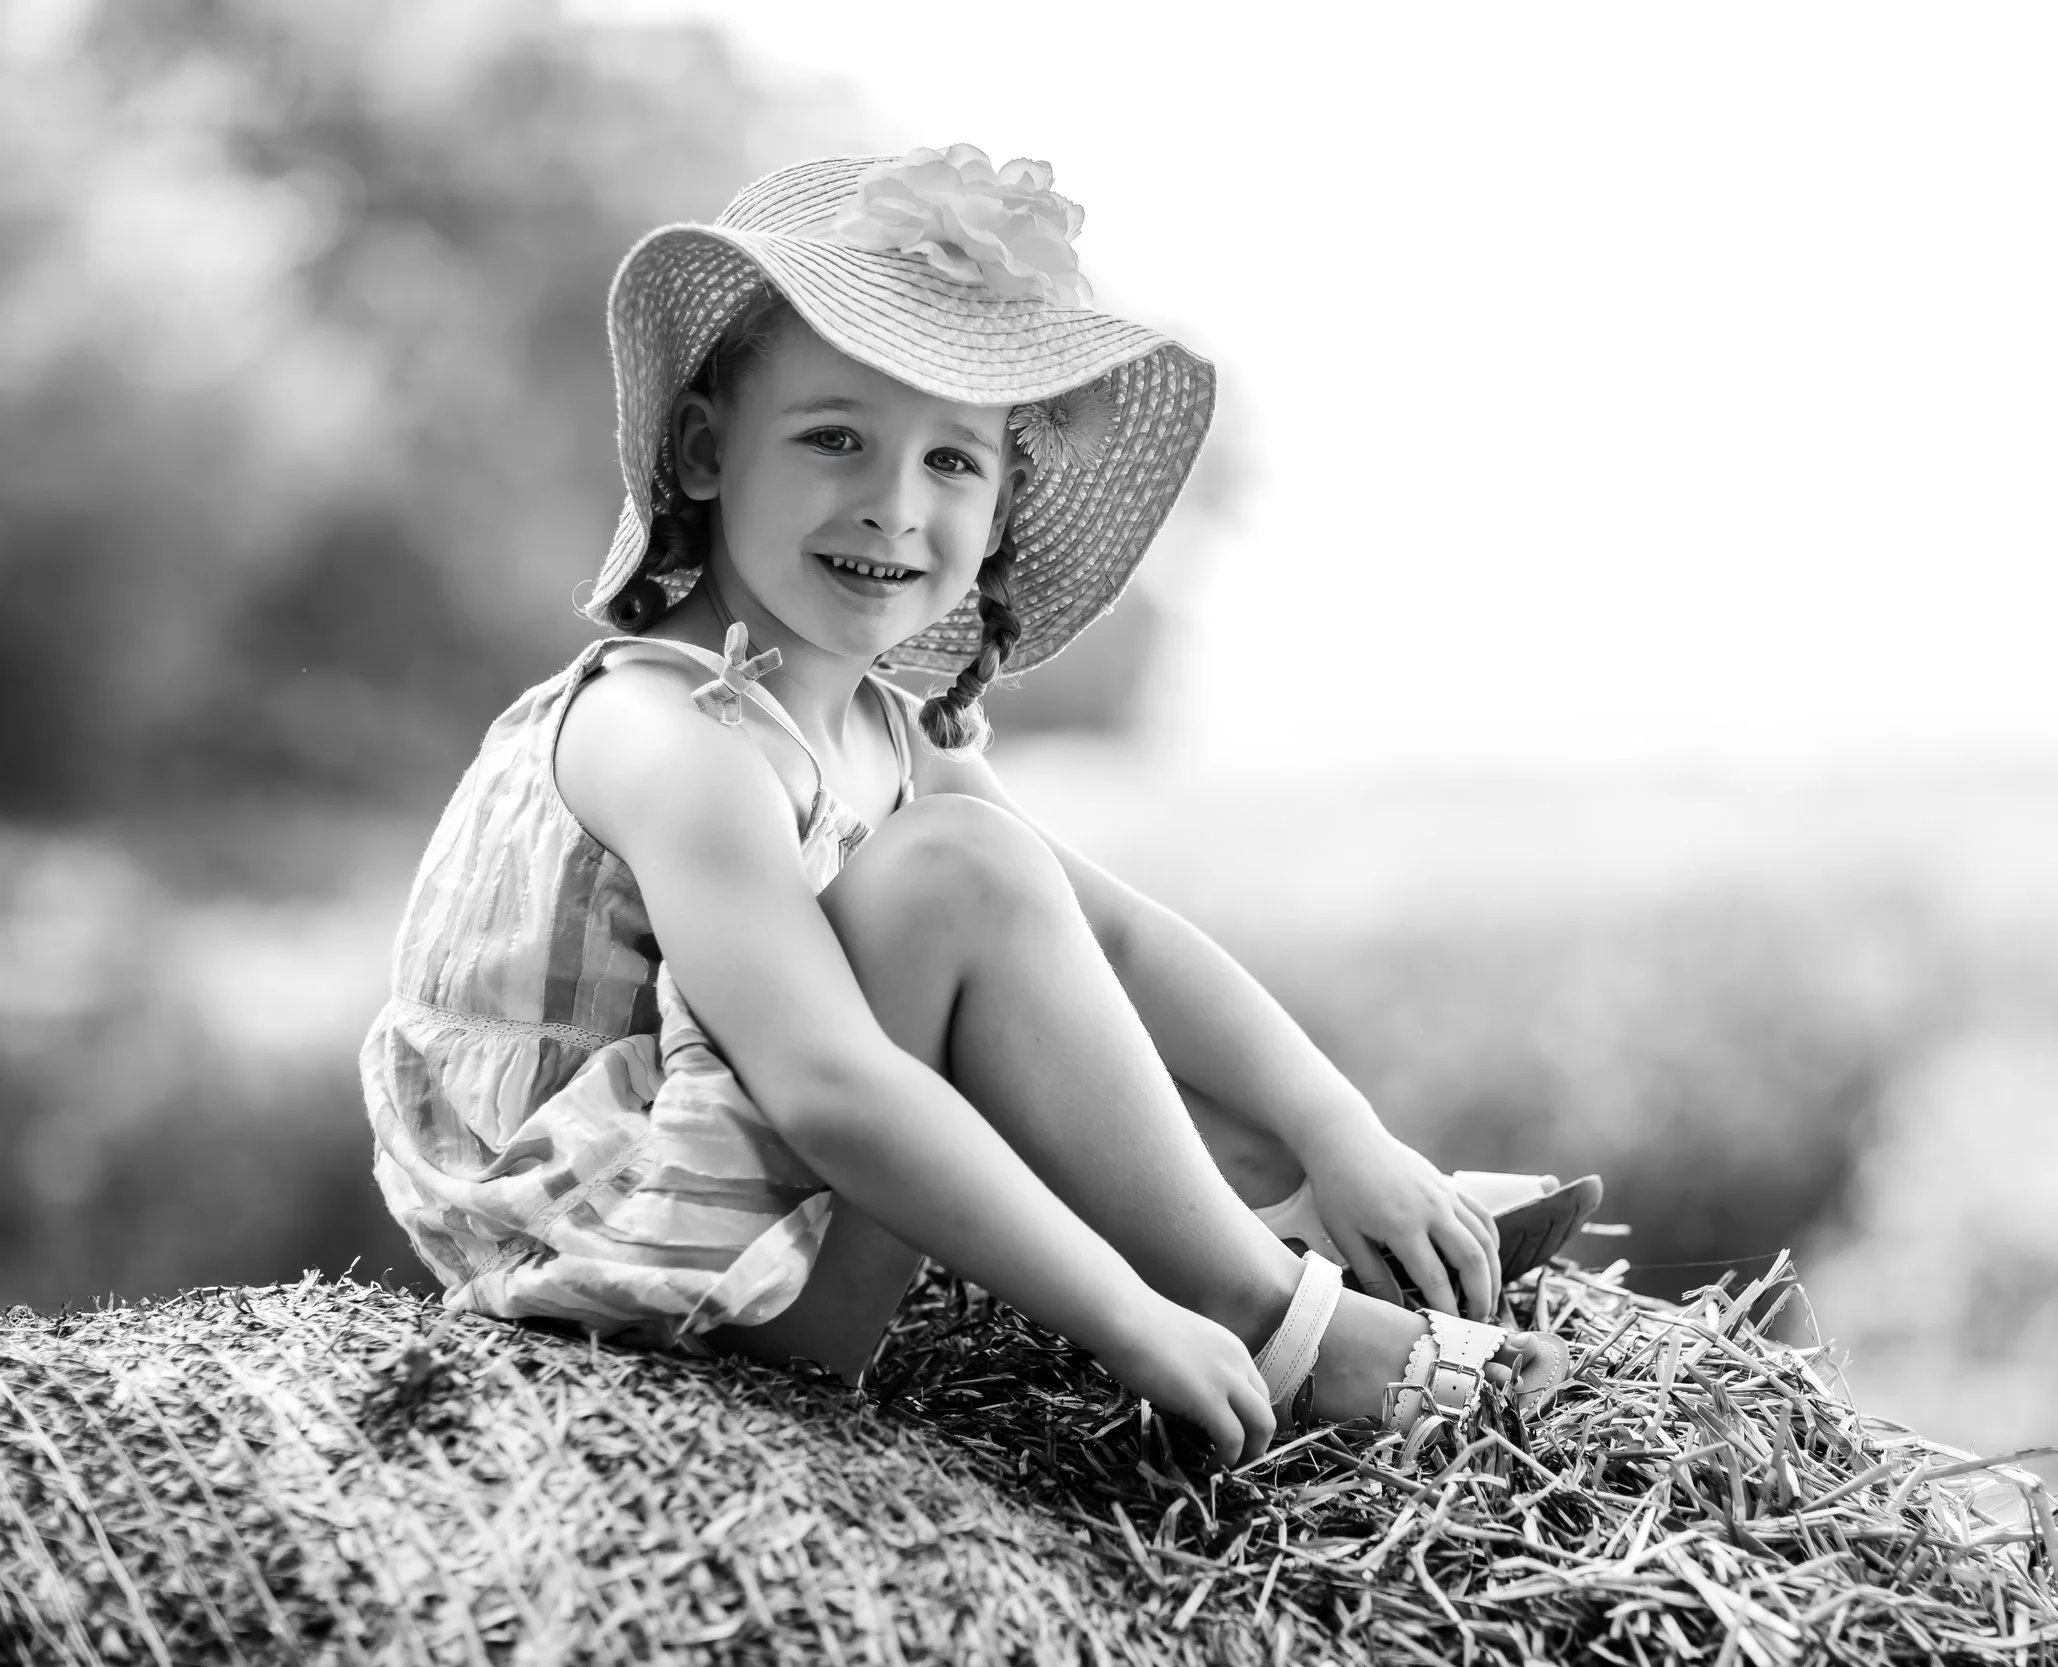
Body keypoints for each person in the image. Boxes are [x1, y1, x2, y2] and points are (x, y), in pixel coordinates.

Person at [360, 149, 1600, 1465]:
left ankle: (1323, 1209)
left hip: (775, 1228)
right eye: (834, 437)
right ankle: (1286, 1314)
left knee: (1011, 903)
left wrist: (1338, 1124)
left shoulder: (877, 725)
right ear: (708, 449)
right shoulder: (677, 735)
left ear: (1001, 501)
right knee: (961, 872)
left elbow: (1111, 941)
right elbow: (831, 1087)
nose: (894, 506)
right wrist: (1125, 1314)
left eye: (951, 459)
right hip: (677, 1297)